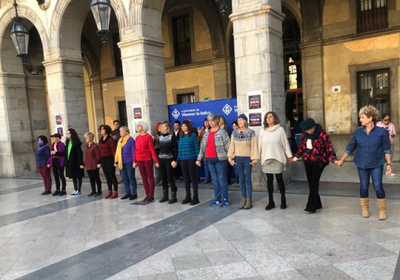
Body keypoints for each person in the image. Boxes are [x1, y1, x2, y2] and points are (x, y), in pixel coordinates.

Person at [336, 106, 391, 220]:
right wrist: (342, 160)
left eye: (362, 117)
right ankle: (365, 209)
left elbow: (386, 149)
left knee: (377, 186)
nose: (360, 120)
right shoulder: (358, 132)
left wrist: (389, 164)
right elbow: (350, 147)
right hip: (361, 163)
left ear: (370, 118)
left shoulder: (382, 132)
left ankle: (382, 210)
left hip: (376, 163)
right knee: (364, 186)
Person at [294, 118, 337, 213]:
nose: (307, 132)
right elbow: (302, 146)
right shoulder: (304, 135)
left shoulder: (322, 134)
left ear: (313, 127)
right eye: (305, 130)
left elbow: (329, 146)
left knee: (314, 182)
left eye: (308, 130)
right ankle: (318, 203)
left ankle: (311, 206)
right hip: (308, 160)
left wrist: (334, 158)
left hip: (320, 161)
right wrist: (296, 156)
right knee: (311, 183)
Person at [259, 112, 293, 210]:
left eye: (270, 117)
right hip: (266, 159)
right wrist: (256, 158)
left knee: (279, 179)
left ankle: (283, 199)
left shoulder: (280, 130)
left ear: (275, 119)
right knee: (269, 181)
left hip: (278, 158)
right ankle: (271, 201)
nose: (268, 119)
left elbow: (285, 144)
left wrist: (289, 156)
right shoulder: (262, 131)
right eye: (266, 118)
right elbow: (259, 145)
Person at [196, 113, 231, 207]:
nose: (210, 122)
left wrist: (230, 158)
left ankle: (225, 198)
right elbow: (203, 147)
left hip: (220, 159)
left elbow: (228, 146)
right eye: (209, 120)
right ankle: (217, 198)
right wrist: (199, 159)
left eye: (212, 120)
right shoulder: (206, 133)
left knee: (222, 179)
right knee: (215, 180)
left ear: (217, 121)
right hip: (209, 159)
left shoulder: (222, 132)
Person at [228, 115, 259, 209]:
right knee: (241, 180)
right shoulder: (234, 133)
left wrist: (255, 159)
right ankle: (243, 199)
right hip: (238, 159)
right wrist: (230, 158)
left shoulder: (251, 133)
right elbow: (232, 146)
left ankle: (249, 200)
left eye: (241, 120)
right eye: (238, 120)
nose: (239, 122)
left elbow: (254, 146)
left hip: (247, 159)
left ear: (245, 121)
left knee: (248, 180)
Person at [133, 121, 159, 202]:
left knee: (150, 177)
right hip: (139, 159)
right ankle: (147, 194)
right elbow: (136, 150)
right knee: (143, 177)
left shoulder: (148, 137)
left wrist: (156, 161)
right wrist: (134, 161)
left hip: (147, 159)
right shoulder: (137, 138)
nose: (138, 127)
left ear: (143, 127)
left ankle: (151, 194)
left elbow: (152, 149)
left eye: (139, 126)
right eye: (137, 126)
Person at [175, 120, 200, 205]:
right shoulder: (181, 136)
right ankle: (188, 196)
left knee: (193, 179)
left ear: (188, 127)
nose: (183, 127)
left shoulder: (193, 135)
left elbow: (197, 148)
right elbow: (179, 149)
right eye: (182, 126)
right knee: (186, 179)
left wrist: (198, 159)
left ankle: (195, 197)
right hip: (183, 160)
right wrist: (177, 160)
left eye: (185, 126)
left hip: (191, 159)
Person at [158, 121, 179, 204]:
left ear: (167, 128)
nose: (162, 128)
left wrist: (174, 160)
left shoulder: (171, 137)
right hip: (161, 159)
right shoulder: (159, 137)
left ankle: (174, 195)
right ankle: (165, 195)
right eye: (161, 127)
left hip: (169, 159)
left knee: (170, 177)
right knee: (163, 177)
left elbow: (176, 149)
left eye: (163, 127)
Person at [115, 126, 137, 201]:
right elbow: (117, 151)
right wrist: (116, 160)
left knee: (131, 177)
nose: (120, 133)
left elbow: (133, 151)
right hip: (121, 162)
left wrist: (134, 161)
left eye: (122, 131)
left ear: (127, 132)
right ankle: (127, 192)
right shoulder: (120, 140)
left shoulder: (130, 140)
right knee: (124, 177)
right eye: (120, 131)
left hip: (129, 161)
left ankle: (134, 193)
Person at [98, 125, 118, 199]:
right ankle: (109, 190)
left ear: (107, 130)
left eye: (103, 129)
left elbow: (113, 150)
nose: (101, 131)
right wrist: (98, 161)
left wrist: (115, 161)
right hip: (103, 159)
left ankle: (115, 191)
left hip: (110, 159)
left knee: (112, 175)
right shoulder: (100, 140)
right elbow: (99, 151)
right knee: (106, 176)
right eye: (101, 129)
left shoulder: (110, 140)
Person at [81, 132, 102, 197]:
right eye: (85, 138)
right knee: (91, 178)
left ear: (91, 138)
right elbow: (86, 156)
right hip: (88, 165)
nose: (86, 139)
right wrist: (84, 164)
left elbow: (98, 155)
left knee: (96, 178)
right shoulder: (87, 146)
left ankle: (99, 191)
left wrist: (99, 162)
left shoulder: (95, 146)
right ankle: (93, 190)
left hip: (94, 164)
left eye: (87, 137)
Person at [65, 129, 84, 195]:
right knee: (73, 176)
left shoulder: (76, 143)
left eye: (68, 133)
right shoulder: (68, 142)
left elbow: (79, 154)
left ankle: (79, 190)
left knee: (78, 176)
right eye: (67, 133)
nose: (67, 135)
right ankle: (75, 189)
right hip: (70, 162)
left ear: (72, 134)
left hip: (76, 162)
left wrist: (81, 163)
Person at [198, 118, 211, 184]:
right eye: (205, 122)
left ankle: (212, 179)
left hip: (210, 149)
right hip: (203, 149)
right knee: (205, 165)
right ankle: (207, 178)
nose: (206, 123)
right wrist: (199, 134)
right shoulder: (202, 130)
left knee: (211, 165)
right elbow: (199, 140)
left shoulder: (211, 130)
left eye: (207, 122)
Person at [231, 120, 240, 188]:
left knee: (238, 170)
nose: (233, 127)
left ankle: (239, 182)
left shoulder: (240, 133)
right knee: (235, 169)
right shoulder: (233, 134)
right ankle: (236, 181)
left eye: (235, 126)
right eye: (233, 126)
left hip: (239, 154)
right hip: (234, 154)